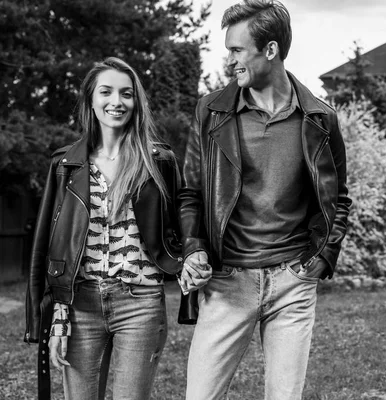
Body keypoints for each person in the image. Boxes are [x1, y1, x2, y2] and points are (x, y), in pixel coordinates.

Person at [177, 1, 352, 398]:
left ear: (270, 50)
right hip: (227, 282)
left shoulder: (320, 119)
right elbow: (190, 192)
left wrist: (322, 257)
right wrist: (194, 250)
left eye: (237, 50)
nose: (230, 60)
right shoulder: (212, 111)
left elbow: (337, 199)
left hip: (293, 282)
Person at [24, 57, 182, 400]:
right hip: (81, 303)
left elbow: (180, 226)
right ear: (90, 101)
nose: (117, 102)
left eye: (126, 94)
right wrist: (58, 316)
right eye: (106, 92)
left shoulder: (158, 161)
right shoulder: (66, 164)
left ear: (136, 102)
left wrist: (189, 261)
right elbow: (53, 245)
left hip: (140, 302)